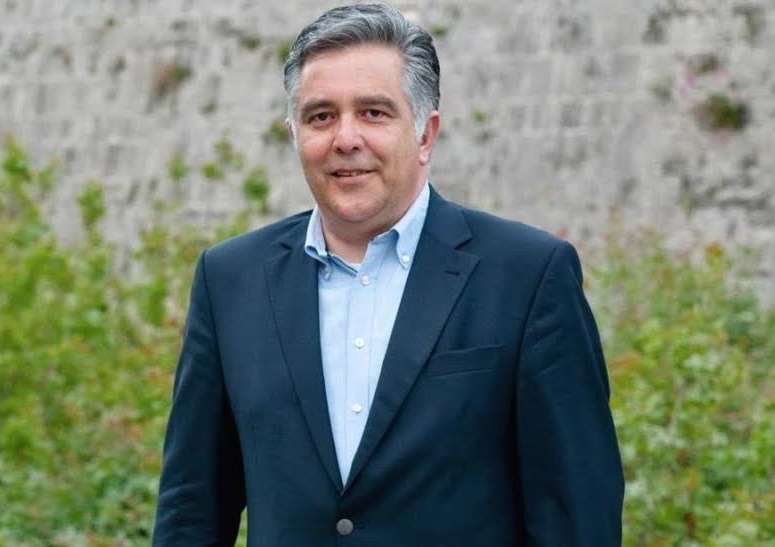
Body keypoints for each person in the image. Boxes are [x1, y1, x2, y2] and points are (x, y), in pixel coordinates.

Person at [153, 4, 624, 546]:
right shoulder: (230, 281)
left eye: (374, 112)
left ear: (425, 134)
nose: (345, 138)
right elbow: (191, 510)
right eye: (320, 116)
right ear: (294, 134)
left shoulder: (528, 276)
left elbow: (576, 514)